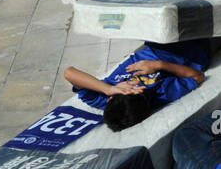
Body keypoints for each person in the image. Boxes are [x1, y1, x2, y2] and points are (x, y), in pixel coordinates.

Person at [64, 38, 209, 131]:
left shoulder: (102, 98)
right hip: (188, 53)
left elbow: (69, 73)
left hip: (155, 43)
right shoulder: (160, 94)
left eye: (129, 87)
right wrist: (158, 65)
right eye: (139, 89)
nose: (136, 84)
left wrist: (108, 88)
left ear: (110, 98)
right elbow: (198, 76)